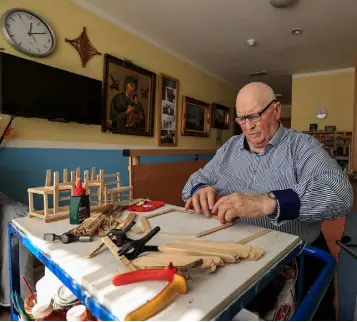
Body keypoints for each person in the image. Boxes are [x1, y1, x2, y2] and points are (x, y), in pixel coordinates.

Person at [182, 82, 353, 320]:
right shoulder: (230, 148)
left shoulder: (302, 147)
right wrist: (199, 189)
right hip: (236, 257)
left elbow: (340, 193)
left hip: (295, 261)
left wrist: (267, 202)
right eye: (241, 118)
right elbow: (196, 179)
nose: (247, 126)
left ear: (276, 110)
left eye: (254, 116)